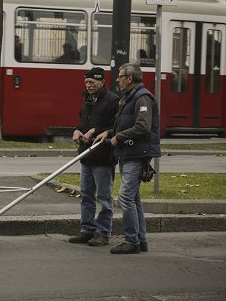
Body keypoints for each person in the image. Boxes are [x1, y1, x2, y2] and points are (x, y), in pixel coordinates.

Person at [96, 63, 161, 254]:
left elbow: (142, 127)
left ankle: (131, 241)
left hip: (136, 154)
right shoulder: (130, 97)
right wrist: (108, 133)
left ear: (130, 78)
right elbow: (123, 125)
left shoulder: (142, 98)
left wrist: (118, 137)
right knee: (134, 197)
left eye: (120, 76)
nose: (117, 80)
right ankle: (140, 240)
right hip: (128, 153)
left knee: (125, 197)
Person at [68, 67, 119, 247]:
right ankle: (86, 230)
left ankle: (103, 232)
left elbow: (117, 127)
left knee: (104, 197)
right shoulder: (87, 99)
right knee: (86, 195)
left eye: (92, 82)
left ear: (102, 82)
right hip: (86, 155)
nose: (88, 85)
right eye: (86, 82)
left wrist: (97, 131)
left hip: (104, 156)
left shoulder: (113, 100)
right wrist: (77, 130)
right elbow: (84, 123)